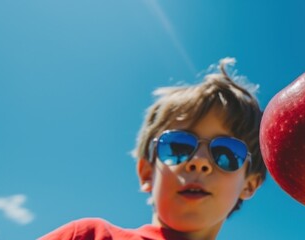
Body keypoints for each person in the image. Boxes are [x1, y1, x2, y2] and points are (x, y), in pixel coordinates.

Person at [41, 58, 266, 240]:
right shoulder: (89, 236)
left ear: (249, 184)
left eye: (226, 153)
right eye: (179, 146)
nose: (199, 161)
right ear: (147, 173)